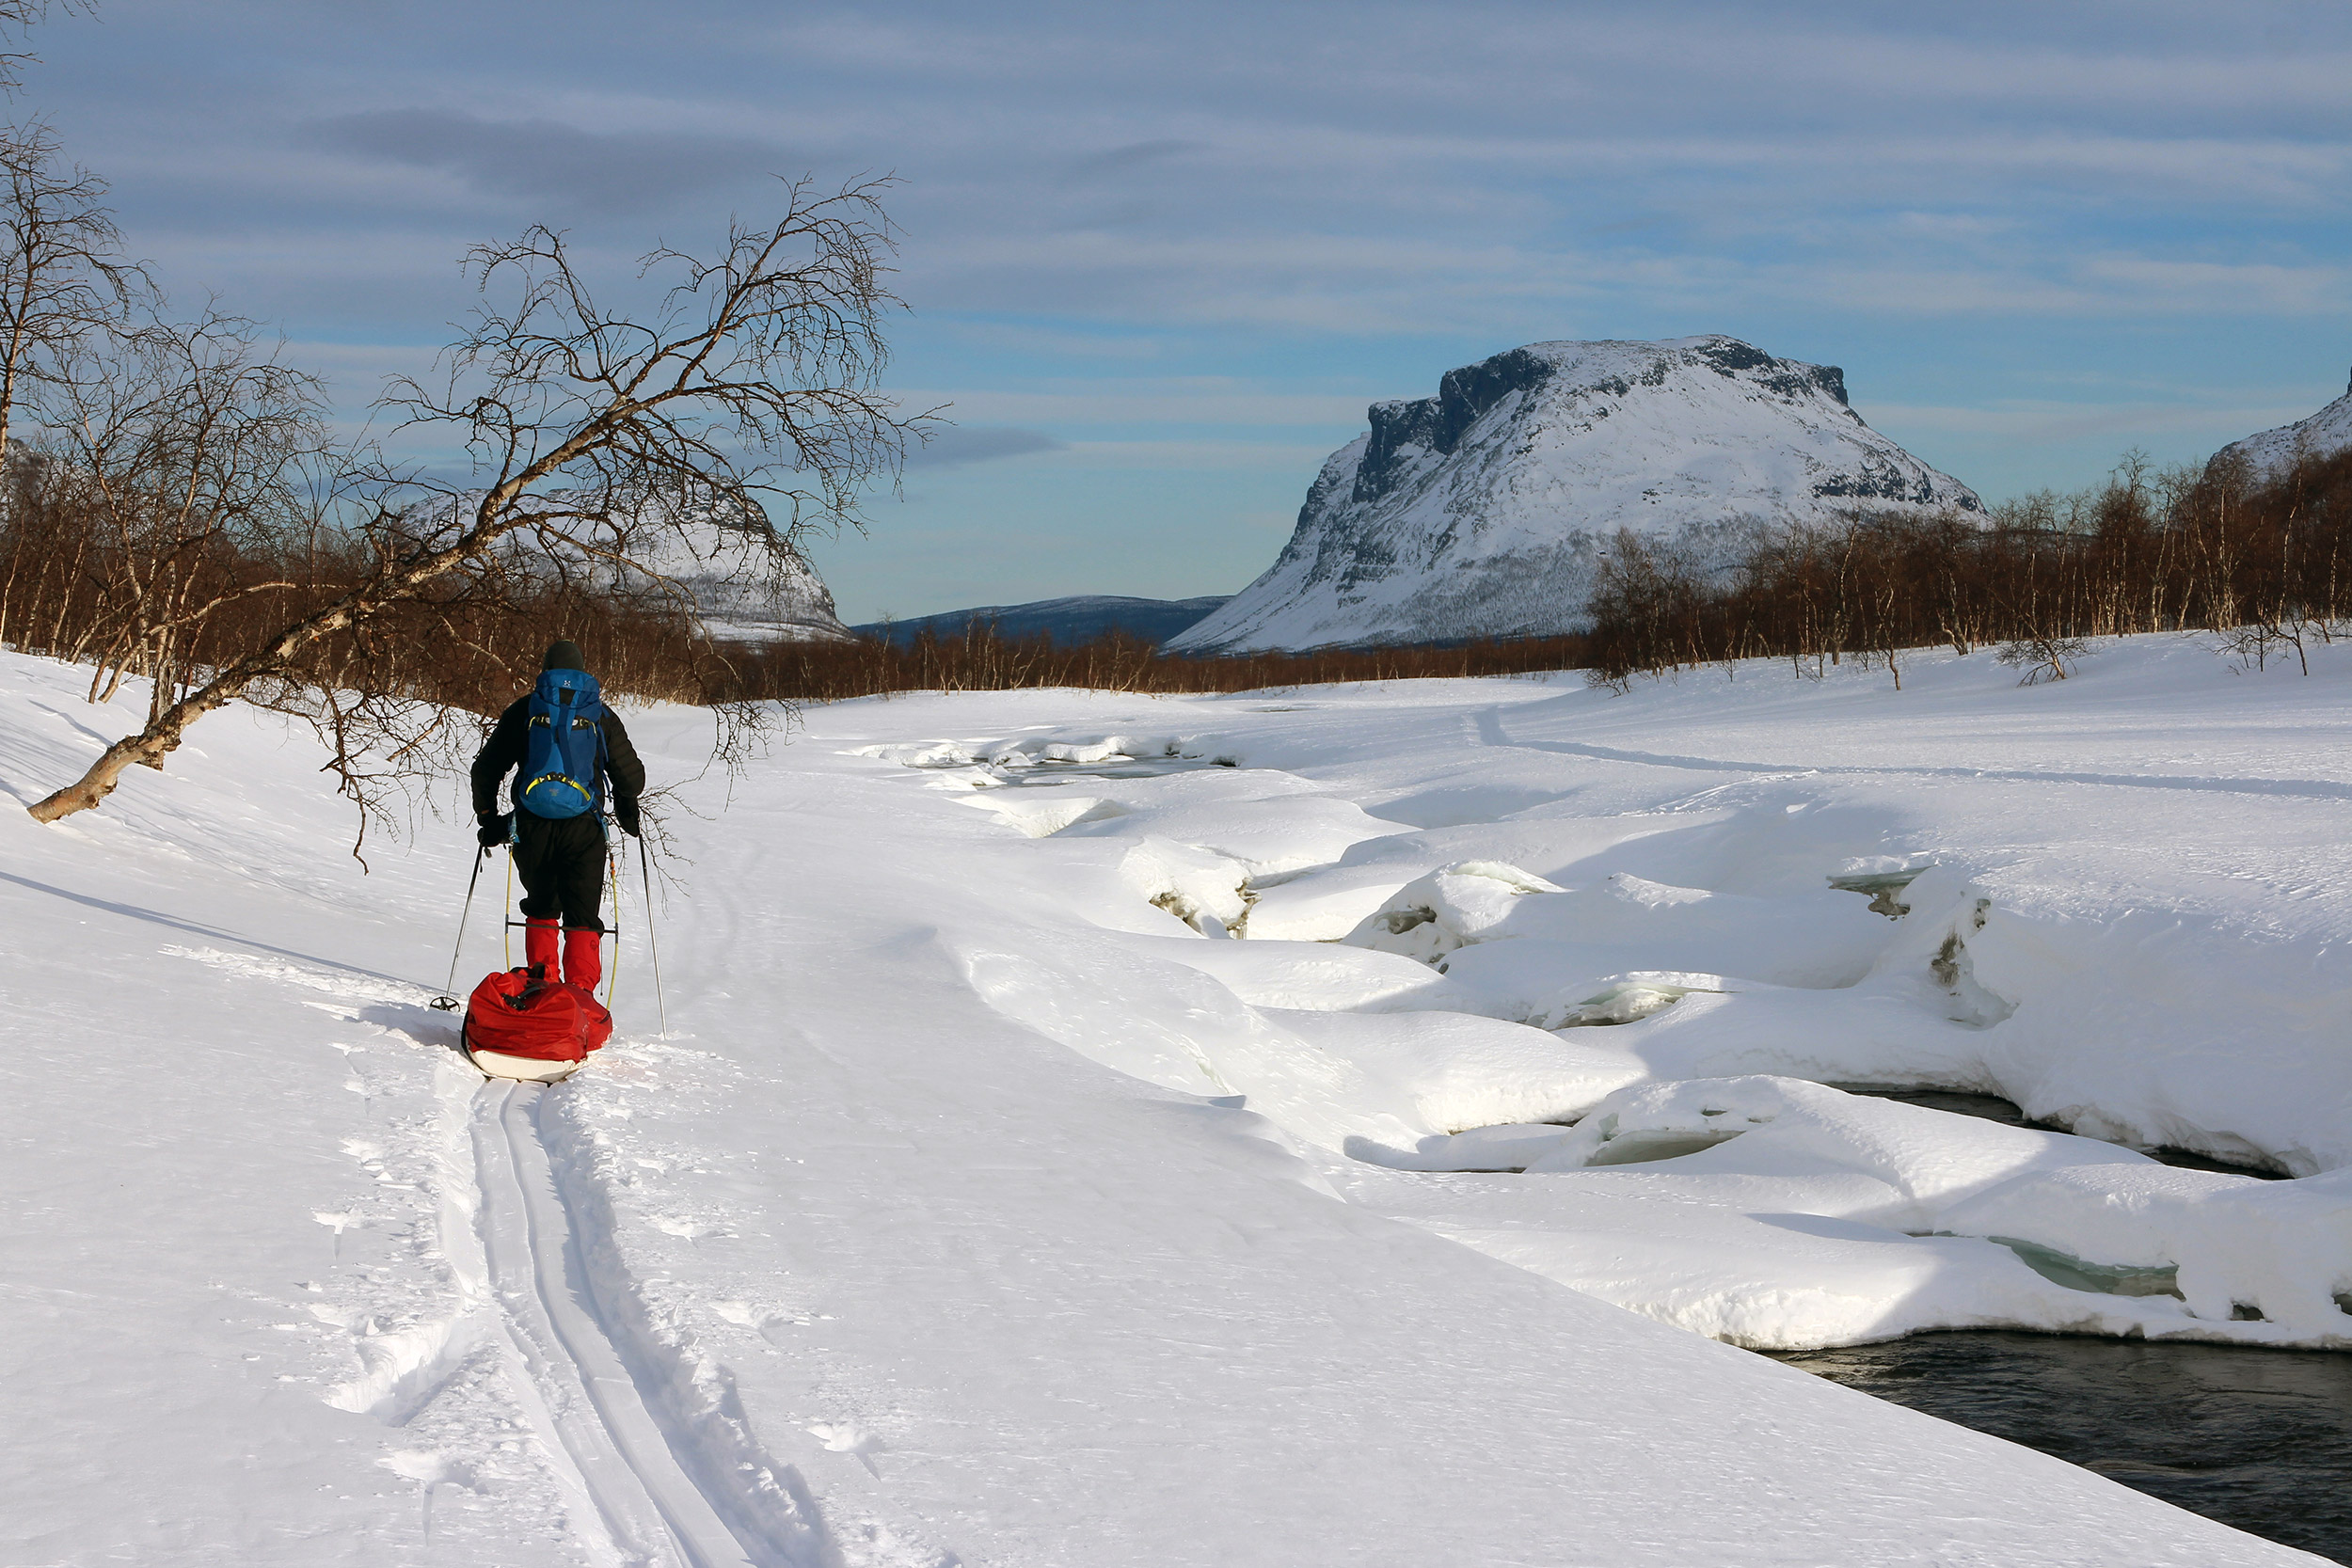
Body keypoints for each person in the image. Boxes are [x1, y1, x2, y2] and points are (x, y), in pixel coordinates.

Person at [470, 641, 646, 994]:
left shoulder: (524, 710)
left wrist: (489, 817)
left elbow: (485, 770)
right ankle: (580, 997)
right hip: (585, 828)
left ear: (546, 671)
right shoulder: (600, 714)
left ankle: (540, 986)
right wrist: (627, 807)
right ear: (582, 672)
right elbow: (632, 777)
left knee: (542, 907)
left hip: (532, 826)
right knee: (581, 915)